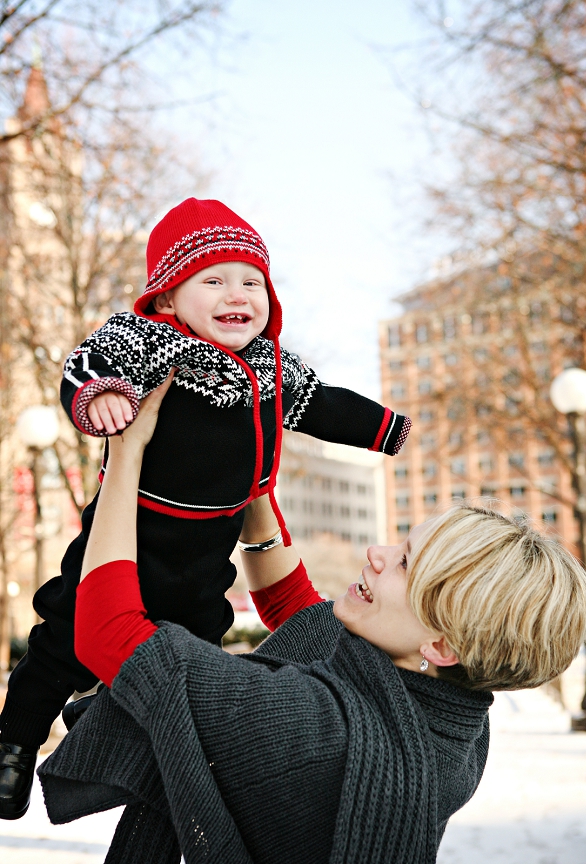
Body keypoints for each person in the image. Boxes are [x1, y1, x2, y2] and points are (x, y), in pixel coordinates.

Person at [34, 378, 586, 864]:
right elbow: (304, 616)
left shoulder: (313, 731)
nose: (377, 553)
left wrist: (126, 458)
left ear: (443, 643)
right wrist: (250, 471)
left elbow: (110, 634)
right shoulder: (450, 718)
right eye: (401, 543)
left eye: (404, 564)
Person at [0, 198, 411, 819]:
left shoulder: (273, 370)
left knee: (191, 657)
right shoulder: (147, 340)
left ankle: (125, 733)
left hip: (207, 555)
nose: (236, 293)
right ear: (167, 297)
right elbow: (84, 366)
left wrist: (383, 429)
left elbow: (324, 404)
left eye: (251, 281)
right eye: (212, 280)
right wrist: (100, 398)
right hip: (130, 535)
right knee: (64, 638)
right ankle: (14, 743)